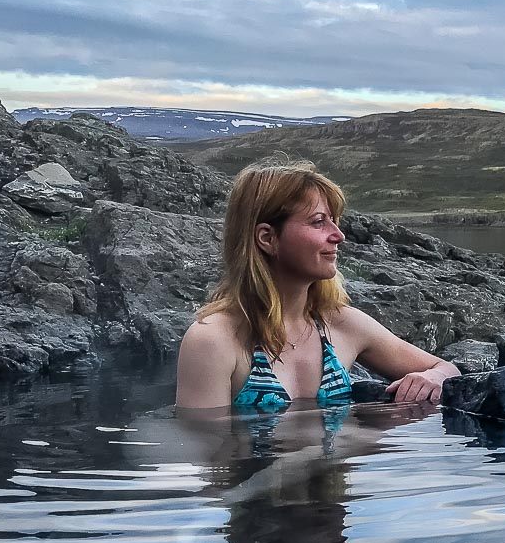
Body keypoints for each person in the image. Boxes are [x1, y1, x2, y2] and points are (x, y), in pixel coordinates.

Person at [175, 161, 461, 410]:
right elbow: (207, 453)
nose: (338, 236)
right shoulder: (214, 341)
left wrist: (431, 379)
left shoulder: (341, 324)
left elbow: (447, 369)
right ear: (267, 238)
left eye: (334, 221)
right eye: (319, 222)